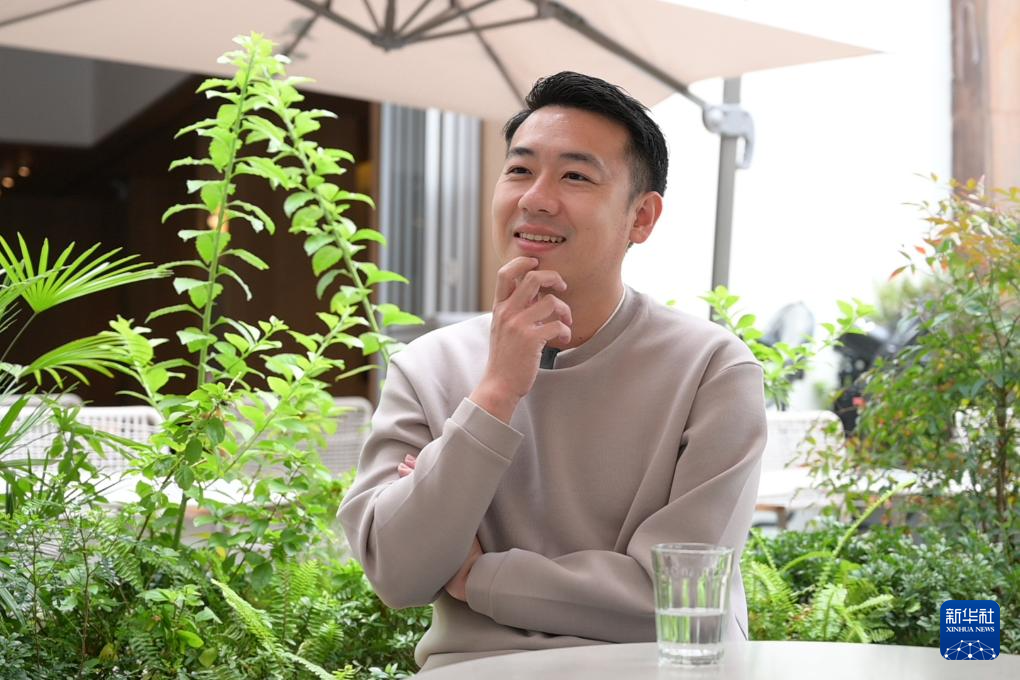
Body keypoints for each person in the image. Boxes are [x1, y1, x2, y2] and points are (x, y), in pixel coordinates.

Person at [339, 71, 767, 671]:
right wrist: (494, 394)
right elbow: (398, 573)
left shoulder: (712, 370)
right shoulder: (428, 367)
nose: (535, 198)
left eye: (575, 176)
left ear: (642, 218)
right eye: (519, 169)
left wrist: (479, 578)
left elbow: (682, 599)